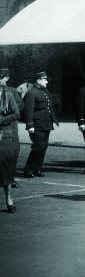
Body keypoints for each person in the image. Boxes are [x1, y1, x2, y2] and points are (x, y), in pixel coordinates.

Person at [23, 71, 59, 177]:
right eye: (45, 79)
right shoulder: (31, 92)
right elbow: (28, 110)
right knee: (38, 146)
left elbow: (49, 106)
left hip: (46, 122)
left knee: (44, 147)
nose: (47, 81)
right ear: (38, 81)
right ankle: (28, 169)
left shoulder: (45, 91)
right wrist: (30, 125)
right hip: (37, 124)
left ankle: (37, 169)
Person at [0, 68, 23, 188]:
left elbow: (20, 106)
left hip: (10, 126)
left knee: (13, 153)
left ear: (7, 78)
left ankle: (11, 178)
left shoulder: (12, 91)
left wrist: (7, 111)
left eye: (1, 78)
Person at [0, 84, 20, 213]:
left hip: (5, 136)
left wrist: (1, 120)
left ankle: (8, 199)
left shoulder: (7, 95)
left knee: (6, 168)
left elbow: (16, 114)